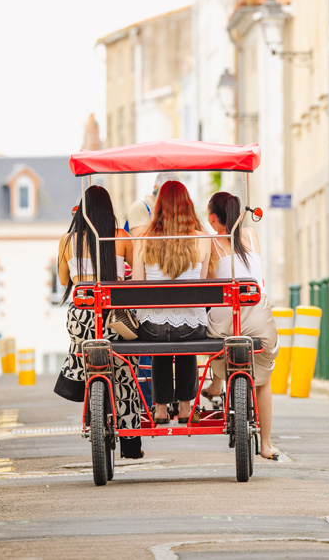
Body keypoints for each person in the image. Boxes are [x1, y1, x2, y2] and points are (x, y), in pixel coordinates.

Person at [55, 185, 144, 459]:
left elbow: (62, 281)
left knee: (80, 345)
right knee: (125, 373)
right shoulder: (121, 237)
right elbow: (136, 278)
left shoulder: (67, 241)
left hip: (82, 320)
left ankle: (77, 375)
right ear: (109, 210)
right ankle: (131, 441)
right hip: (115, 321)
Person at [203, 191, 280, 461]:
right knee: (264, 381)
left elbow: (206, 289)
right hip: (258, 320)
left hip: (226, 325)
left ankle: (216, 382)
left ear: (213, 218)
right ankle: (267, 444)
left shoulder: (209, 244)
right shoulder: (251, 236)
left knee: (213, 324)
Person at [131, 180, 211, 424]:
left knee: (160, 336)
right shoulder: (203, 239)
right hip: (191, 329)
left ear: (158, 206)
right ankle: (186, 407)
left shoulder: (144, 239)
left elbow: (137, 285)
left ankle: (161, 408)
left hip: (152, 329)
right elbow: (204, 285)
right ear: (188, 206)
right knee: (184, 333)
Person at [125, 172, 182, 236]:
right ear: (156, 188)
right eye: (166, 190)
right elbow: (141, 241)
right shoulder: (140, 208)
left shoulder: (178, 209)